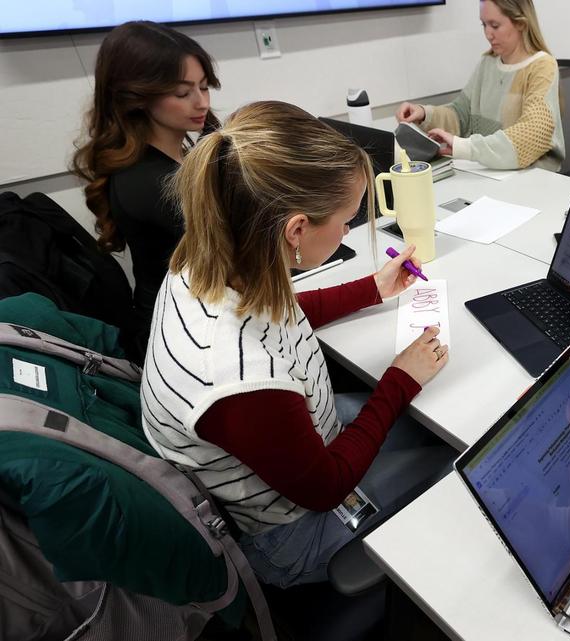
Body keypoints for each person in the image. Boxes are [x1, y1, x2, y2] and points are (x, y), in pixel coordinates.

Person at [140, 101, 454, 588]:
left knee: (434, 425)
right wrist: (399, 379)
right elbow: (326, 487)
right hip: (290, 534)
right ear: (296, 230)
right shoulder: (239, 380)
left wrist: (372, 288)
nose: (349, 230)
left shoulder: (204, 259)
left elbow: (277, 313)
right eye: (346, 220)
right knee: (457, 463)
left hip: (302, 436)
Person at [71, 21, 221, 321]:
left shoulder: (176, 154)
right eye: (182, 93)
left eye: (204, 87)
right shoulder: (148, 182)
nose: (202, 102)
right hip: (184, 328)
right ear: (137, 97)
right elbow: (234, 247)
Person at [394, 0, 564, 171]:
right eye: (484, 25)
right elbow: (462, 115)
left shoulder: (542, 66)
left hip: (532, 178)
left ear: (520, 23)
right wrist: (424, 114)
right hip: (490, 174)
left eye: (495, 26)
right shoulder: (487, 63)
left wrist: (465, 147)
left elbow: (534, 133)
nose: (488, 34)